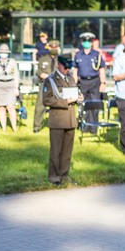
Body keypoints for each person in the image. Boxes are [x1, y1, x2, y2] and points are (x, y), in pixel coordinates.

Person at [42, 55, 79, 186]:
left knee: (67, 150)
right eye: (65, 66)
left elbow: (74, 93)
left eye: (69, 66)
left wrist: (79, 97)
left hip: (70, 119)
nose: (67, 69)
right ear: (59, 65)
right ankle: (53, 176)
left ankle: (64, 174)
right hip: (57, 119)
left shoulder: (70, 78)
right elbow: (46, 99)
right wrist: (65, 102)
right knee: (56, 150)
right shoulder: (50, 80)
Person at [72, 32, 106, 115]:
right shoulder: (78, 55)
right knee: (83, 103)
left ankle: (94, 125)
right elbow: (75, 70)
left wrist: (103, 83)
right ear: (82, 42)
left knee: (94, 104)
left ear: (91, 43)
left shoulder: (96, 54)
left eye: (88, 41)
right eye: (84, 41)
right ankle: (85, 125)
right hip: (83, 82)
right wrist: (74, 83)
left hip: (94, 81)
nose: (86, 43)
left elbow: (101, 69)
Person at [0, 43, 19, 133]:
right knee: (1, 108)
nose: (4, 54)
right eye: (2, 52)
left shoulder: (12, 62)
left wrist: (16, 87)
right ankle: (4, 128)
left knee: (11, 107)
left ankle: (14, 127)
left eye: (5, 52)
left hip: (10, 85)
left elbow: (16, 75)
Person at [33, 39, 59, 132]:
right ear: (49, 47)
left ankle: (57, 124)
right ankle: (36, 126)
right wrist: (46, 76)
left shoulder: (61, 59)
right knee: (40, 105)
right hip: (45, 84)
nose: (54, 48)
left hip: (57, 85)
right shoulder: (43, 58)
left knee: (58, 105)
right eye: (52, 47)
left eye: (56, 47)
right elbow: (39, 72)